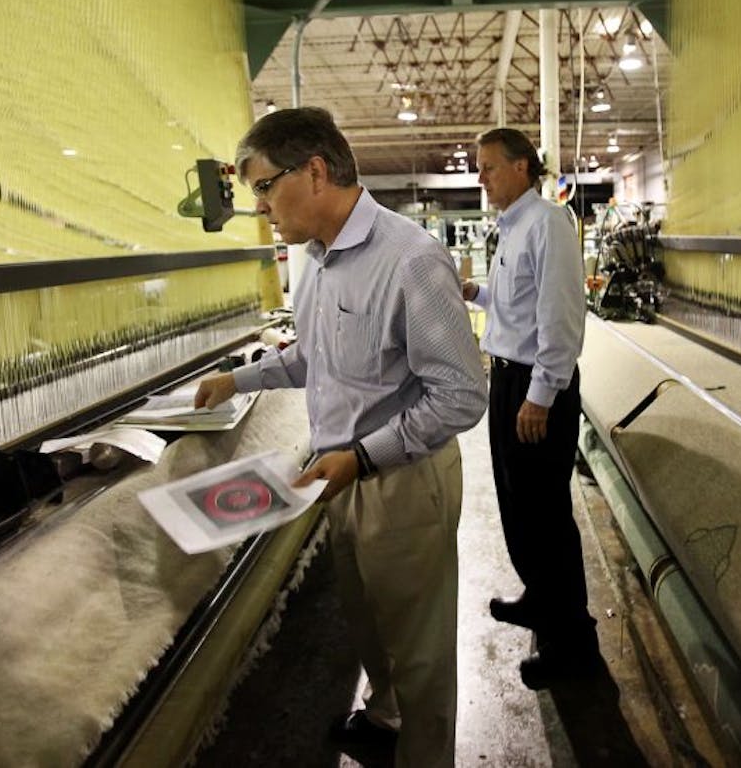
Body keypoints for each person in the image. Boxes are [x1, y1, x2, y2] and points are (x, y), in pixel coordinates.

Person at [192, 107, 486, 768]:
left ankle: (426, 756)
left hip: (402, 481)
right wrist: (236, 382)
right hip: (342, 475)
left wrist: (361, 456)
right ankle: (385, 718)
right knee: (370, 625)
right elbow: (314, 358)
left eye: (265, 186)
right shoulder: (318, 264)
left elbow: (462, 396)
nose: (260, 206)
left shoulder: (410, 260)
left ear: (316, 172)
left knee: (419, 643)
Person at [462, 126, 600, 689]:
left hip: (534, 392)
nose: (481, 177)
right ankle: (540, 599)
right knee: (518, 504)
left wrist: (541, 395)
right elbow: (519, 307)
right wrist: (477, 295)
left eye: (489, 166)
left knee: (546, 515)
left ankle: (574, 646)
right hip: (509, 383)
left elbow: (561, 318)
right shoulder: (512, 228)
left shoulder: (548, 225)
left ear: (522, 167)